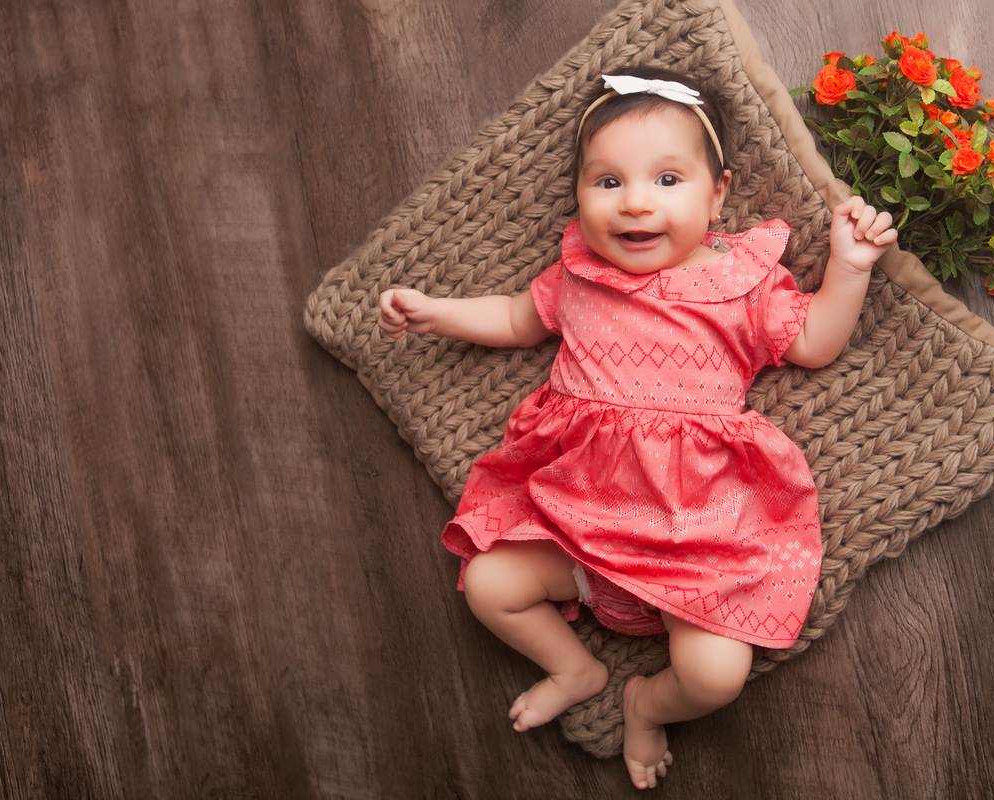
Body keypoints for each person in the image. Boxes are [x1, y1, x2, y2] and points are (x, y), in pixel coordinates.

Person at [377, 67, 896, 790]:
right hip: (573, 525)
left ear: (718, 194)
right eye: (609, 183)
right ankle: (573, 666)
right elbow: (515, 320)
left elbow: (813, 342)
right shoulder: (578, 275)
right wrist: (437, 311)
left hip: (694, 537)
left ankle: (645, 703)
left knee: (717, 677)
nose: (636, 205)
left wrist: (849, 268)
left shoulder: (739, 283)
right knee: (488, 583)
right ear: (581, 195)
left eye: (667, 180)